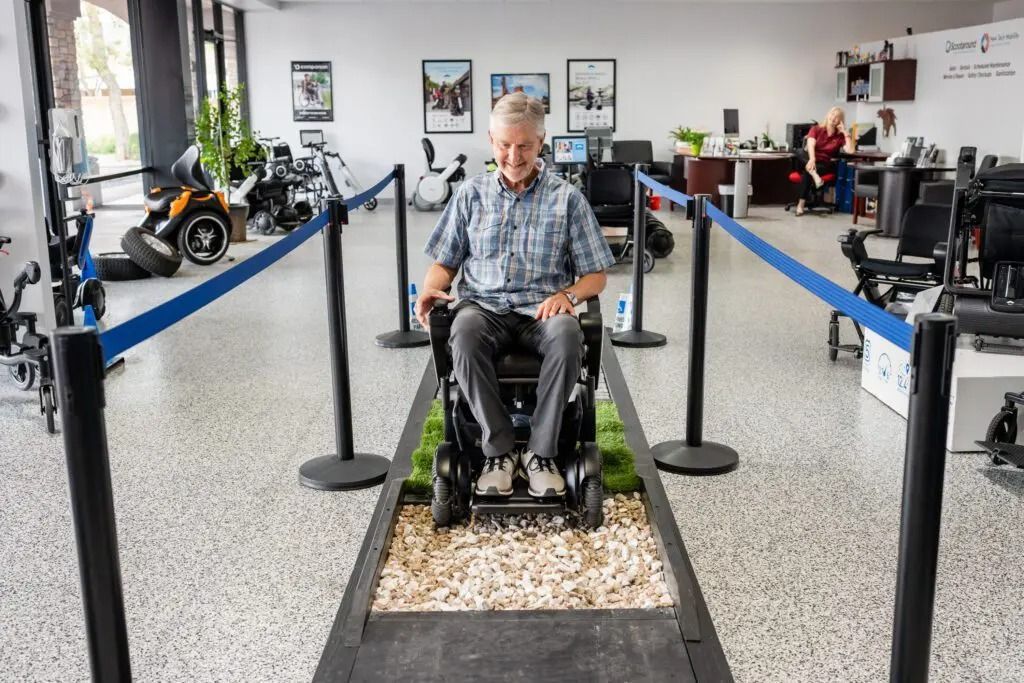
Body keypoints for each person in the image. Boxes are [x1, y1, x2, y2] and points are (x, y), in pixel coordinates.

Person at [415, 92, 614, 499]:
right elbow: (445, 262)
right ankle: (499, 451)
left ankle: (541, 454)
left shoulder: (567, 199)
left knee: (568, 336)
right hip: (483, 307)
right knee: (463, 333)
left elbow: (596, 275)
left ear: (541, 142)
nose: (513, 155)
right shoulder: (470, 195)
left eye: (524, 145)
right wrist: (431, 287)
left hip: (543, 307)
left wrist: (570, 296)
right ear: (491, 141)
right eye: (504, 145)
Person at [794, 106, 856, 216]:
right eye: (832, 115)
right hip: (810, 158)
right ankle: (814, 176)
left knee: (807, 172)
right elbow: (810, 144)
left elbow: (850, 151)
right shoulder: (816, 129)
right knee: (799, 152)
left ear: (840, 121)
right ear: (828, 115)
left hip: (823, 164)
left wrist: (846, 133)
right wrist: (812, 159)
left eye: (837, 117)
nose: (833, 118)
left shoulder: (840, 136)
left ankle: (801, 204)